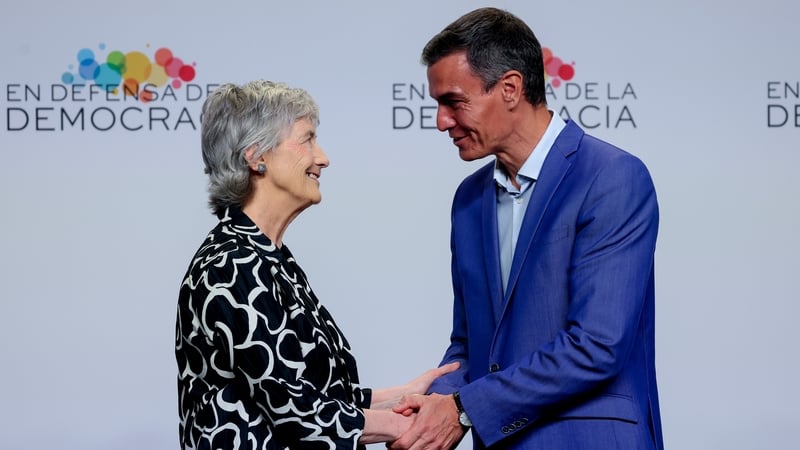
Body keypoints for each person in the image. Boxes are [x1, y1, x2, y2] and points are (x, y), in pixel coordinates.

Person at [389, 7, 663, 450]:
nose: (440, 121)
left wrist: (462, 409)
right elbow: (470, 345)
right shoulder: (469, 199)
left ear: (511, 88)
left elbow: (596, 346)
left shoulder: (612, 177)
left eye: (454, 102)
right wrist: (429, 409)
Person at [174, 80, 457, 450]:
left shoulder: (270, 258)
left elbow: (316, 392)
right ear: (256, 155)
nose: (322, 157)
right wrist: (416, 423)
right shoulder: (229, 265)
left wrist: (401, 397)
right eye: (307, 139)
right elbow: (295, 411)